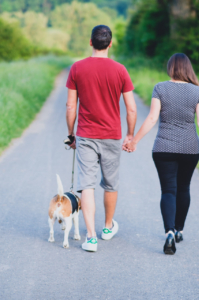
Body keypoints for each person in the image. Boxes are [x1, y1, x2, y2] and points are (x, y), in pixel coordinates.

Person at [124, 53, 199, 255]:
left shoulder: (160, 88)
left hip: (163, 148)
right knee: (183, 188)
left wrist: (134, 141)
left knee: (168, 191)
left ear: (170, 68)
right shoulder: (197, 92)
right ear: (188, 69)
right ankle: (179, 230)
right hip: (190, 149)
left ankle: (168, 231)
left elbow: (151, 118)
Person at [65, 25, 137, 252]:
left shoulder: (77, 68)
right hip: (112, 135)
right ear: (110, 43)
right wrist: (130, 135)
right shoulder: (120, 70)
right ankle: (107, 228)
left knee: (86, 185)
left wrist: (71, 134)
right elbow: (132, 109)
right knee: (110, 183)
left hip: (86, 135)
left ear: (90, 42)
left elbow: (70, 106)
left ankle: (92, 238)